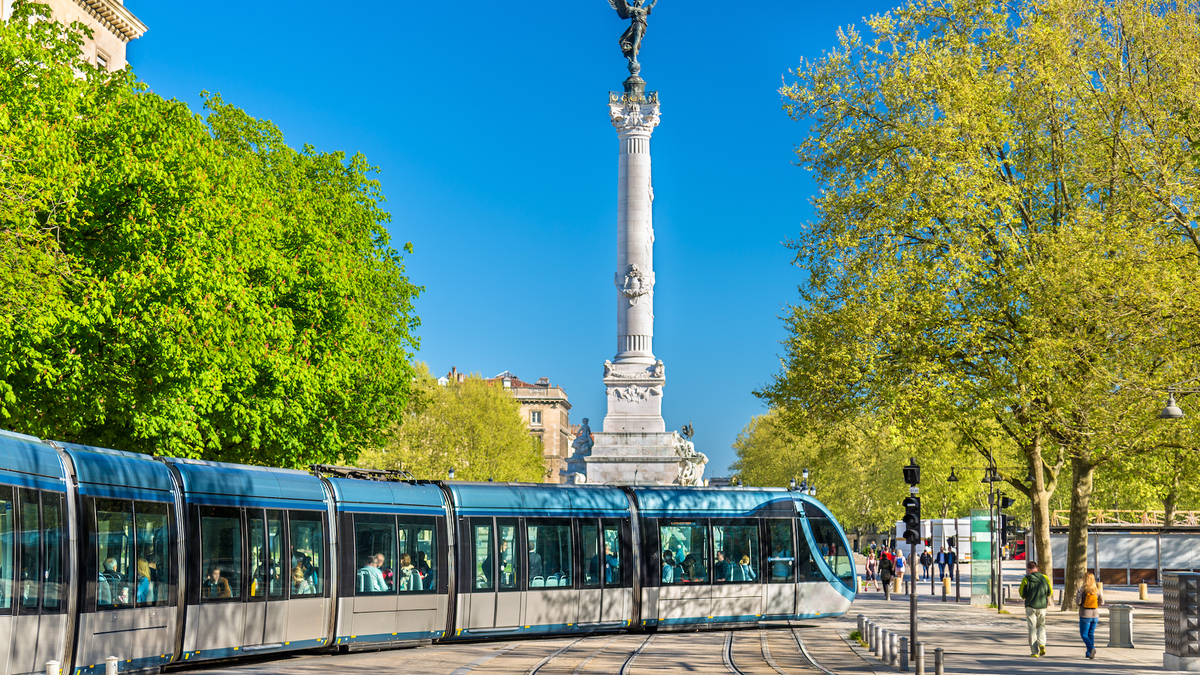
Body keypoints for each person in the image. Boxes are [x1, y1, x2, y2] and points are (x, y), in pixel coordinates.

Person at [1019, 560, 1053, 657]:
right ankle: (1042, 643)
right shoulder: (1044, 578)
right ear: (1036, 568)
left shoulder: (1026, 579)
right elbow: (1049, 592)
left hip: (1030, 606)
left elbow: (1022, 593)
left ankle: (1034, 652)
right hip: (1042, 606)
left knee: (1032, 629)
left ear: (1028, 569)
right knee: (1041, 626)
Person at [1075, 572, 1104, 659]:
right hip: (1095, 615)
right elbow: (1102, 602)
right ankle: (1089, 653)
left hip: (1085, 615)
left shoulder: (1081, 590)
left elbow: (1078, 602)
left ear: (1085, 579)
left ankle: (1092, 648)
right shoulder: (1097, 590)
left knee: (1084, 634)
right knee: (1091, 634)